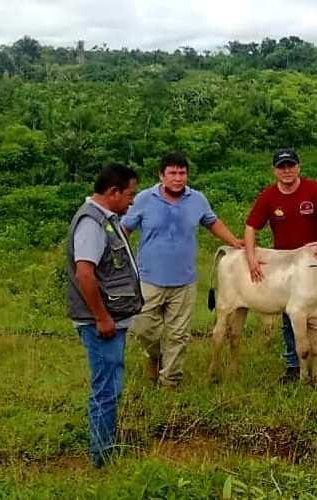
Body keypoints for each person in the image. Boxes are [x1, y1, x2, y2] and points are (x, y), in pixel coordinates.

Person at [121, 152, 243, 388]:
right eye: (172, 173)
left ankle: (170, 382)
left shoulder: (197, 199)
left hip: (184, 280)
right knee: (144, 327)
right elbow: (125, 229)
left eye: (182, 173)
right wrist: (115, 255)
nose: (178, 178)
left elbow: (211, 222)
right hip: (148, 278)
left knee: (178, 334)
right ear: (161, 175)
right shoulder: (145, 199)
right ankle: (155, 356)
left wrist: (234, 241)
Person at [65, 163, 143, 468]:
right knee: (106, 389)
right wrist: (102, 317)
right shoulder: (91, 223)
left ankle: (107, 445)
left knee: (111, 386)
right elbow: (85, 273)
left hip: (111, 319)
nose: (132, 200)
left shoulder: (106, 219)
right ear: (113, 192)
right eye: (130, 194)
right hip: (101, 323)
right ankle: (102, 458)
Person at [244, 148, 317, 383]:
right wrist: (250, 257)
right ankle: (293, 363)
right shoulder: (268, 196)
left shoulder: (313, 189)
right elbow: (250, 227)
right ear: (274, 171)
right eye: (281, 167)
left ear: (298, 167)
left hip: (315, 261)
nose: (286, 171)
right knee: (291, 315)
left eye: (290, 166)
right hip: (285, 265)